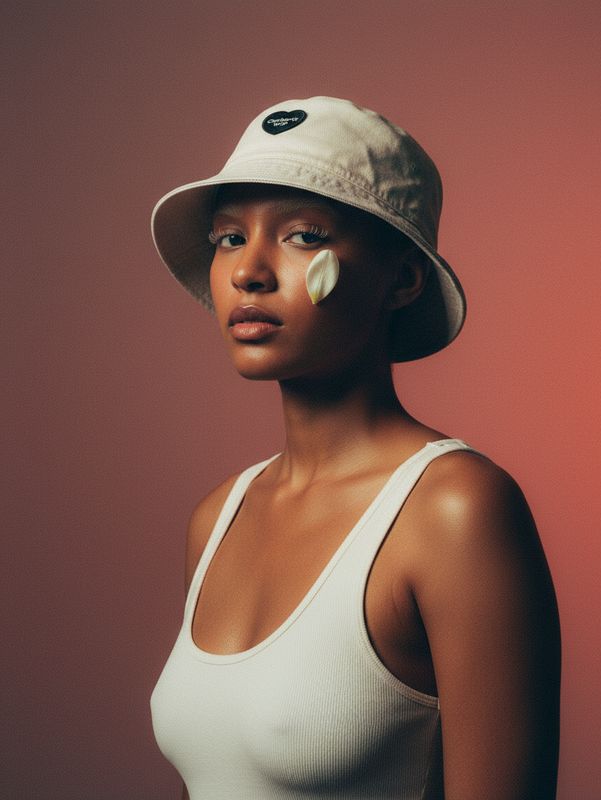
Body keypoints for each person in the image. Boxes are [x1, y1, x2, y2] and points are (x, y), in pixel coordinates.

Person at [149, 96, 560, 800]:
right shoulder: (218, 517)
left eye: (305, 235)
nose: (249, 270)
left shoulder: (454, 510)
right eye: (227, 239)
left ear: (402, 279)